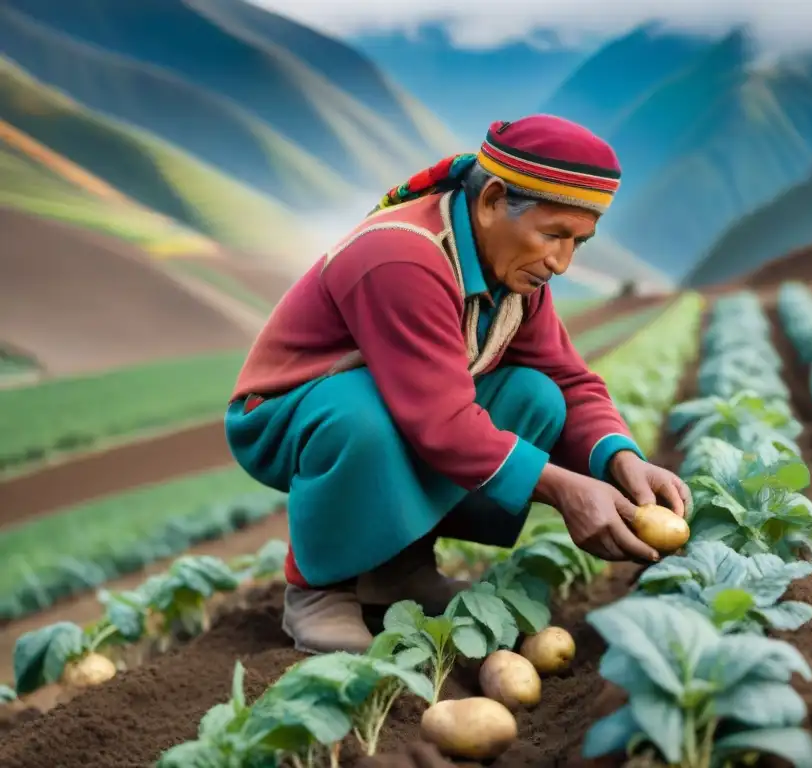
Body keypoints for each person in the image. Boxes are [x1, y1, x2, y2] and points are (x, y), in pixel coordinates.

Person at [224, 114, 692, 654]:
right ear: (492, 200)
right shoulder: (401, 255)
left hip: (397, 402)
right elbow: (440, 423)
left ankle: (398, 572)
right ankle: (321, 589)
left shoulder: (516, 272)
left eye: (578, 244)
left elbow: (568, 379)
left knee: (535, 396)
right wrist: (564, 489)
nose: (561, 263)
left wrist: (619, 459)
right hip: (287, 415)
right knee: (363, 418)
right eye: (553, 235)